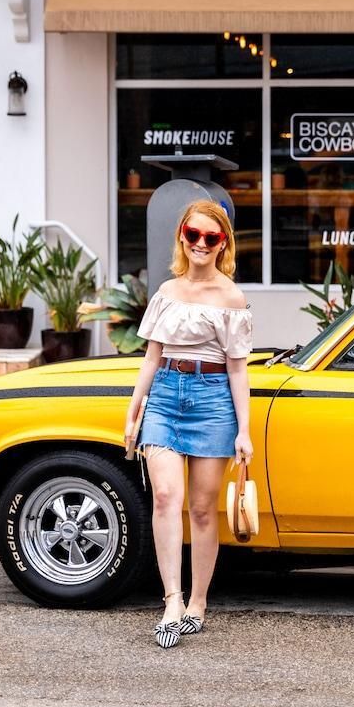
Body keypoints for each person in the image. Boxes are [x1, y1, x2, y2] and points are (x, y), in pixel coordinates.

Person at [124, 200, 253, 649]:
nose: (200, 243)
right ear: (182, 236)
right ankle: (172, 602)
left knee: (201, 509)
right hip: (164, 395)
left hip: (213, 401)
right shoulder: (166, 292)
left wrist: (244, 430)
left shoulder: (231, 298)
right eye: (193, 234)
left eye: (211, 238)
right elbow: (151, 356)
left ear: (223, 244)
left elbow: (238, 369)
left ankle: (198, 602)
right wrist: (135, 408)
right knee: (165, 496)